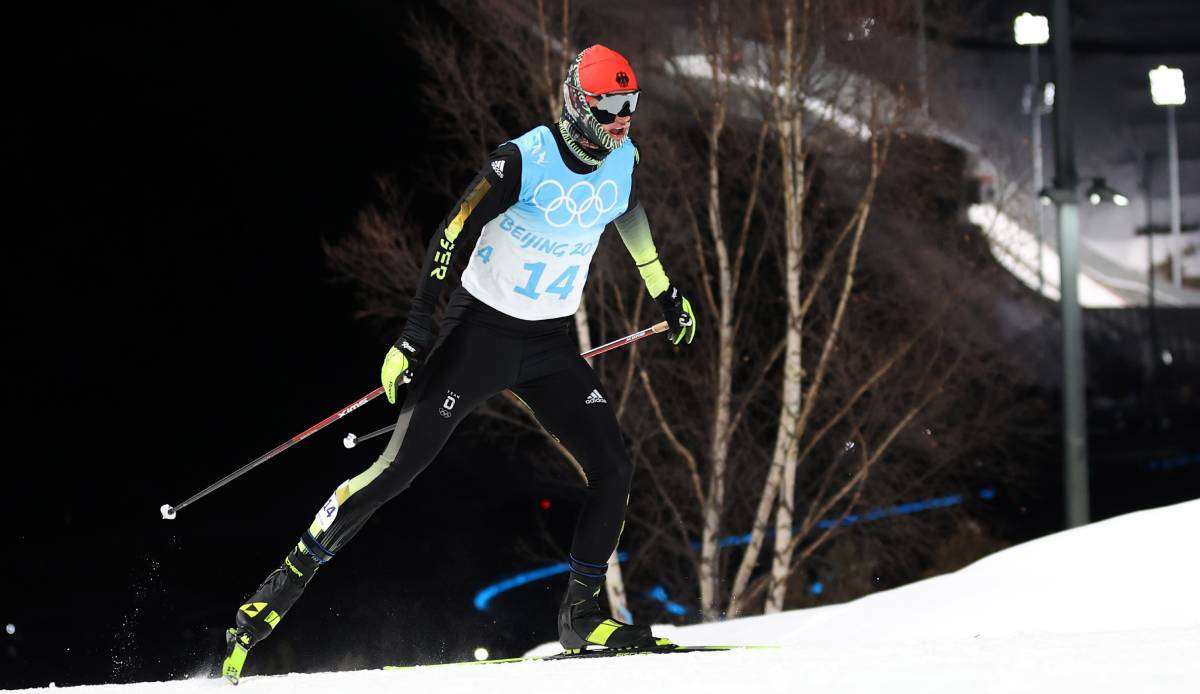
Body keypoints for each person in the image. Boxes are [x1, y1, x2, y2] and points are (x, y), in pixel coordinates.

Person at [221, 44, 696, 684]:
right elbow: (452, 233)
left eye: (631, 107)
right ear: (581, 105)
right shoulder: (520, 161)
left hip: (551, 344)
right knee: (394, 473)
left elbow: (628, 213)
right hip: (480, 335)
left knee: (613, 465)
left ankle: (581, 619)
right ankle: (266, 603)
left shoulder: (624, 163)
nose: (624, 120)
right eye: (611, 108)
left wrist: (664, 289)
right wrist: (414, 337)